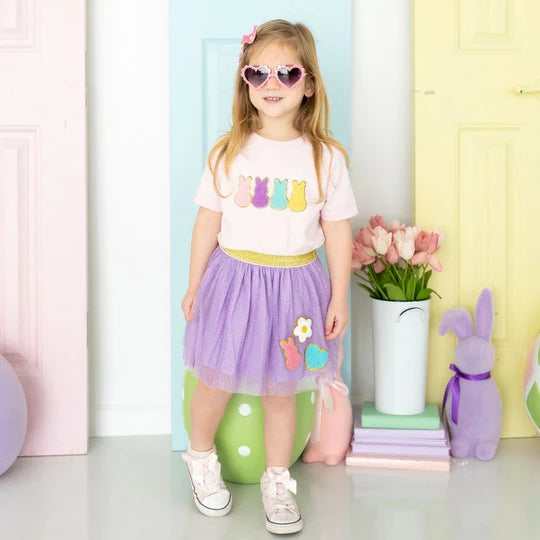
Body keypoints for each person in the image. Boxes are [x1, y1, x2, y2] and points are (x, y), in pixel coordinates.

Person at [180, 19, 358, 535]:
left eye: (287, 72)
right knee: (215, 379)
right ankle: (200, 456)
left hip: (296, 287)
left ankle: (278, 480)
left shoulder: (326, 158)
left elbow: (338, 232)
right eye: (258, 73)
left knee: (282, 390)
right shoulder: (228, 151)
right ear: (245, 82)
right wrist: (194, 284)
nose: (271, 84)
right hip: (233, 283)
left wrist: (339, 296)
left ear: (309, 83)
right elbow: (207, 223)